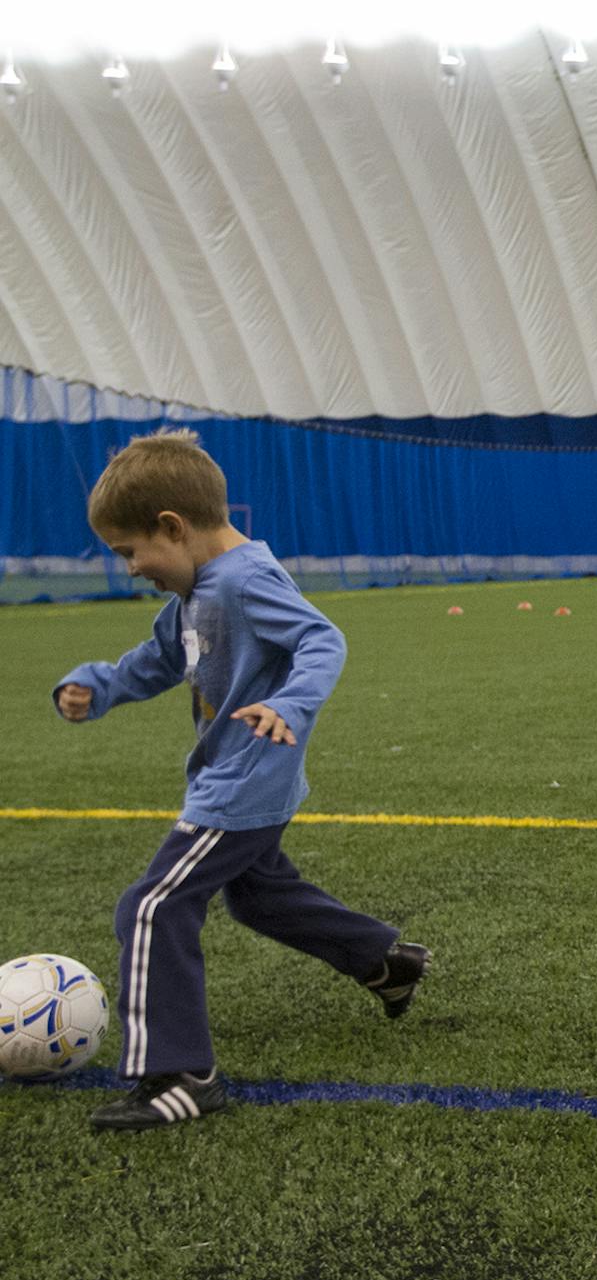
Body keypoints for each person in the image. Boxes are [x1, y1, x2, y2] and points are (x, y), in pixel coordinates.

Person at [50, 431, 428, 1131]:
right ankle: (385, 961)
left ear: (174, 527)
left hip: (243, 782)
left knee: (152, 907)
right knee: (259, 899)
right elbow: (158, 660)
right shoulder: (197, 590)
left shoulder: (246, 581)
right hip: (241, 781)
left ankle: (181, 1075)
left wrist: (288, 705)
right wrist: (93, 687)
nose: (132, 568)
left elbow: (322, 640)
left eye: (132, 551)